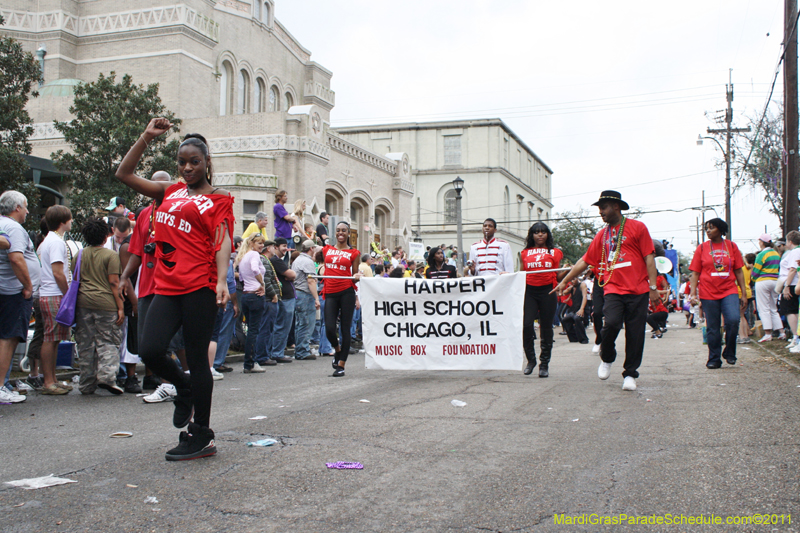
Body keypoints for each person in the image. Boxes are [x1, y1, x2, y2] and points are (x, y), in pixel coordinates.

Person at [116, 119, 234, 461]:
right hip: (166, 286)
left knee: (197, 359)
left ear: (207, 162)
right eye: (182, 162)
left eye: (194, 161)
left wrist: (222, 280)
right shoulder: (169, 191)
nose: (187, 168)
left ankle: (202, 435)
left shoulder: (219, 199)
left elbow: (223, 241)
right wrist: (145, 136)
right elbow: (124, 174)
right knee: (150, 350)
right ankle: (183, 388)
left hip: (200, 286)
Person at [553, 191, 659, 392]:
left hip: (638, 289)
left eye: (603, 208)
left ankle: (630, 374)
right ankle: (608, 357)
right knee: (610, 323)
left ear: (616, 207)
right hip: (613, 288)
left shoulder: (638, 227)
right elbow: (584, 261)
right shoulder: (602, 235)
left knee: (635, 333)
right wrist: (564, 280)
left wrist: (652, 287)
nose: (600, 212)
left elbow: (649, 258)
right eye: (599, 208)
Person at [119, 170, 172, 395]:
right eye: (153, 185)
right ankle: (170, 381)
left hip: (172, 287)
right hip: (148, 288)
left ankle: (174, 384)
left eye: (162, 185)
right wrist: (124, 277)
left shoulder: (178, 211)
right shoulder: (144, 215)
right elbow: (137, 252)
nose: (157, 190)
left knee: (174, 342)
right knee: (147, 346)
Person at [74, 217, 125, 395]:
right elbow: (114, 282)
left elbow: (76, 279)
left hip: (83, 302)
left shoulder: (80, 254)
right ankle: (107, 377)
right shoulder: (111, 255)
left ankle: (86, 383)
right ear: (106, 236)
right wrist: (120, 307)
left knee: (86, 343)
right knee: (108, 340)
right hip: (106, 303)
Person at [0, 191, 41, 404]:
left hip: (6, 289)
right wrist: (28, 286)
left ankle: (4, 383)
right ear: (17, 208)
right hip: (13, 292)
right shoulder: (14, 228)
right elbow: (16, 258)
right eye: (25, 207)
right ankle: (0, 386)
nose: (27, 211)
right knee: (8, 339)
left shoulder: (2, 225)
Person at [689, 219, 747, 369]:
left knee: (733, 320)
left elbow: (739, 271)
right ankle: (714, 358)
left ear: (721, 230)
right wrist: (693, 293)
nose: (708, 231)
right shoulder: (702, 248)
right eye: (706, 228)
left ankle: (729, 351)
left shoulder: (731, 246)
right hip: (708, 292)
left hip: (729, 290)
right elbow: (695, 273)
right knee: (713, 327)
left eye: (712, 228)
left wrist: (744, 293)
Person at [37, 205, 75, 395]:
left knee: (54, 339)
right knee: (51, 339)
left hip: (49, 292)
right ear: (62, 222)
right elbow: (58, 273)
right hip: (54, 293)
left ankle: (52, 379)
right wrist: (67, 294)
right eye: (69, 218)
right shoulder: (56, 242)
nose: (71, 221)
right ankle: (48, 381)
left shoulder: (48, 240)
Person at [520, 222, 564, 377]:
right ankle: (531, 360)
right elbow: (521, 274)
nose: (540, 235)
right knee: (526, 325)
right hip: (530, 291)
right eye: (536, 232)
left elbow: (558, 276)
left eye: (543, 232)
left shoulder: (555, 252)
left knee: (546, 327)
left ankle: (544, 364)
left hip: (548, 291)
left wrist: (567, 272)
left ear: (547, 234)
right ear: (531, 235)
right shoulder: (524, 253)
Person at [323, 221, 362, 377]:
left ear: (348, 233)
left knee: (345, 329)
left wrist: (357, 276)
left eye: (344, 230)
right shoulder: (327, 250)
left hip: (347, 292)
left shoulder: (354, 253)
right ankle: (337, 350)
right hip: (330, 292)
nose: (340, 233)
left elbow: (355, 275)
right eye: (338, 230)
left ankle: (341, 365)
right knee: (329, 328)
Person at [236, 233, 267, 373]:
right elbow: (255, 269)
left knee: (250, 330)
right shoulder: (254, 255)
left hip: (246, 295)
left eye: (262, 243)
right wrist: (262, 284)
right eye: (259, 243)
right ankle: (250, 363)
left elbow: (242, 277)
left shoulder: (243, 256)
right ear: (251, 243)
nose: (262, 246)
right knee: (254, 330)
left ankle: (248, 362)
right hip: (255, 295)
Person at [268, 238, 296, 364]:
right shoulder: (276, 261)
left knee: (282, 326)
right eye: (283, 246)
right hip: (285, 298)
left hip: (285, 297)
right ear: (276, 247)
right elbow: (292, 275)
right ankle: (277, 353)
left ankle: (277, 352)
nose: (286, 248)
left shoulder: (277, 261)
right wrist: (290, 275)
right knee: (283, 326)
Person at [752, 234, 783, 342]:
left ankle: (768, 333)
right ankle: (781, 332)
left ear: (762, 242)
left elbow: (756, 271)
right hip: (775, 281)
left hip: (763, 281)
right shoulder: (776, 254)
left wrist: (753, 279)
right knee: (773, 308)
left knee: (763, 308)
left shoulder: (761, 254)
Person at [292, 240, 320, 360]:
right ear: (311, 248)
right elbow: (310, 281)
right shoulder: (308, 261)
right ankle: (302, 350)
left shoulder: (297, 259)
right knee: (306, 323)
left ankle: (300, 349)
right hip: (304, 294)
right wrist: (316, 298)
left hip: (298, 292)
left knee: (300, 323)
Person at [255, 239, 281, 365]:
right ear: (268, 248)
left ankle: (265, 354)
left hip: (269, 298)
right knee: (265, 328)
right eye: (273, 247)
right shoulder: (263, 261)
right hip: (268, 299)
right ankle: (262, 356)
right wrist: (273, 294)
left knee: (268, 328)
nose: (275, 249)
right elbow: (266, 280)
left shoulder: (266, 260)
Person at [778, 231, 800, 348]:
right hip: (796, 283)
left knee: (790, 310)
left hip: (792, 284)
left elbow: (792, 269)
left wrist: (786, 286)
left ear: (790, 241)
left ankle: (796, 336)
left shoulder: (794, 252)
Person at [561, 278, 590, 344]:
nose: (572, 281)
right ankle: (574, 338)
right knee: (565, 320)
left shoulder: (582, 285)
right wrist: (564, 286)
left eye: (573, 279)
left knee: (577, 319)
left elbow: (584, 297)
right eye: (571, 280)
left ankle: (584, 339)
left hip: (583, 309)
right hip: (574, 310)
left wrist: (582, 309)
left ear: (577, 278)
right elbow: (562, 293)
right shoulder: (572, 288)